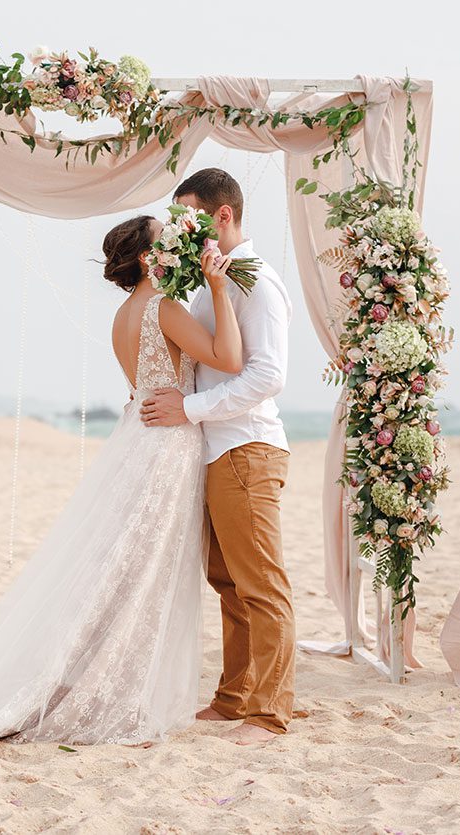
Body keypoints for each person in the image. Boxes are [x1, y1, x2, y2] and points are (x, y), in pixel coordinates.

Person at [0, 214, 243, 752]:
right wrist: (219, 287)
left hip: (139, 438)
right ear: (147, 258)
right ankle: (106, 691)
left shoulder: (123, 315)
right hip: (165, 447)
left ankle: (94, 681)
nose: (177, 245)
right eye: (168, 240)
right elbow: (228, 358)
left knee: (122, 571)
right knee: (143, 575)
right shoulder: (164, 308)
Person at [141, 167, 295, 745]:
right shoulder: (215, 281)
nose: (181, 228)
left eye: (189, 215)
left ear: (221, 215)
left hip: (247, 448)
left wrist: (193, 408)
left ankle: (269, 712)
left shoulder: (257, 282)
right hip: (215, 451)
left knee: (261, 584)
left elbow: (268, 376)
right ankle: (235, 698)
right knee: (227, 582)